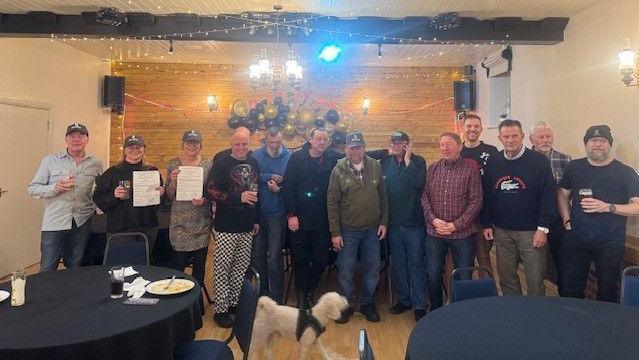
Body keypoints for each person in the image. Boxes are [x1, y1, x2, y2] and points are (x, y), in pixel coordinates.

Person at [558, 125, 639, 302]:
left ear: (609, 145)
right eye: (593, 141)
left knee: (607, 291)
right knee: (570, 289)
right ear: (586, 144)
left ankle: (604, 327)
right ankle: (571, 323)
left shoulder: (625, 172)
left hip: (610, 241)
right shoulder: (575, 167)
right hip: (577, 237)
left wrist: (608, 207)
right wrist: (566, 220)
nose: (598, 145)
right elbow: (563, 194)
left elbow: (637, 206)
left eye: (602, 141)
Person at [481, 119, 556, 296]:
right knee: (506, 277)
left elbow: (548, 195)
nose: (510, 140)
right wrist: (486, 223)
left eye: (514, 136)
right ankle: (513, 314)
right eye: (506, 136)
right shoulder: (493, 161)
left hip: (531, 231)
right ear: (499, 138)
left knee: (535, 279)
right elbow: (488, 194)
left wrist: (543, 229)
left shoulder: (538, 161)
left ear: (522, 136)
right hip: (502, 230)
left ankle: (535, 318)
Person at [327, 131, 388, 323]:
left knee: (372, 269)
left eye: (358, 147)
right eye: (351, 147)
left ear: (364, 147)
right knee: (346, 270)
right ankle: (345, 306)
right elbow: (332, 203)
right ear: (346, 149)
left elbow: (383, 197)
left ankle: (367, 303)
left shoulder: (376, 166)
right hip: (348, 230)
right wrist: (335, 232)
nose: (355, 151)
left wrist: (383, 222)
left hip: (372, 229)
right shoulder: (338, 170)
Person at [367, 131, 428, 321]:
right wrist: (386, 151)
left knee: (416, 264)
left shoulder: (419, 161)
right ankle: (404, 300)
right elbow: (365, 155)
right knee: (398, 264)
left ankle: (419, 304)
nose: (398, 145)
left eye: (402, 142)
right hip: (392, 224)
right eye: (394, 142)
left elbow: (419, 184)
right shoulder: (384, 162)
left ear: (408, 144)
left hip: (414, 223)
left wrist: (408, 159)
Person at [27, 123, 103, 272]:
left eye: (81, 135)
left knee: (75, 265)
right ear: (66, 139)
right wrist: (55, 188)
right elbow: (32, 189)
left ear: (87, 139)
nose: (76, 139)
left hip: (83, 221)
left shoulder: (96, 163)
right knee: (48, 267)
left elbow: (101, 189)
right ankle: (46, 295)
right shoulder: (50, 161)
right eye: (72, 136)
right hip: (55, 221)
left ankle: (72, 294)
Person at [205, 127, 260, 328]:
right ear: (231, 143)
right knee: (222, 268)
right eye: (238, 143)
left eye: (245, 143)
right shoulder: (221, 163)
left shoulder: (254, 163)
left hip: (247, 226)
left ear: (249, 143)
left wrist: (256, 220)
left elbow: (257, 193)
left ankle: (235, 304)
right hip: (226, 226)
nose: (241, 147)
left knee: (241, 268)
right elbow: (210, 191)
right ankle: (220, 309)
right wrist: (239, 197)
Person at [283, 127, 342, 309]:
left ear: (329, 142)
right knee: (300, 258)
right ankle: (302, 295)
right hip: (299, 219)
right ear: (311, 140)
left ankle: (310, 289)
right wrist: (291, 215)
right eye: (318, 139)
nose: (322, 142)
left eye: (325, 139)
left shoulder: (333, 158)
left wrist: (386, 152)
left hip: (323, 220)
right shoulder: (296, 158)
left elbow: (358, 154)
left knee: (321, 258)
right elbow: (288, 186)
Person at [421, 133, 482, 310]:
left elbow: (476, 200)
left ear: (460, 147)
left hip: (462, 234)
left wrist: (456, 224)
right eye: (442, 144)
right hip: (435, 233)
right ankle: (436, 310)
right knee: (432, 274)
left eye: (449, 144)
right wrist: (433, 220)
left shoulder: (470, 169)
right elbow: (425, 197)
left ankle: (461, 311)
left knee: (464, 275)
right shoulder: (432, 169)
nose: (445, 148)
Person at [93, 134, 165, 253]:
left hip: (147, 226)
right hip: (120, 229)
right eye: (131, 147)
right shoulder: (112, 172)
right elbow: (98, 198)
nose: (135, 150)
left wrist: (162, 193)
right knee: (121, 267)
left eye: (138, 147)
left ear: (143, 149)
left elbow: (159, 203)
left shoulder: (152, 171)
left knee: (144, 266)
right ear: (124, 150)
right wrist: (113, 195)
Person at [165, 130, 212, 295]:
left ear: (200, 145)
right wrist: (172, 182)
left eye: (195, 142)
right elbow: (169, 196)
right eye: (188, 142)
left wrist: (205, 200)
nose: (192, 145)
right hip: (179, 225)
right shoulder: (173, 165)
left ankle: (196, 302)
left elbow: (211, 192)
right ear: (183, 144)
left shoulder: (208, 164)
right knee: (178, 267)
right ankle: (178, 300)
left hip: (202, 223)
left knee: (199, 268)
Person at [529, 121, 571, 295]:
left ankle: (564, 301)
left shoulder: (565, 159)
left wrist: (568, 220)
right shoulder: (525, 159)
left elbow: (569, 192)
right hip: (533, 222)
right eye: (541, 136)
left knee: (564, 264)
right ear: (531, 138)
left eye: (548, 136)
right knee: (536, 266)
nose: (545, 140)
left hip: (558, 221)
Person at [250, 127, 291, 304]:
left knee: (275, 257)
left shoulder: (289, 156)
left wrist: (279, 188)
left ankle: (277, 296)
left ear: (282, 140)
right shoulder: (256, 155)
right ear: (265, 140)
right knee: (258, 254)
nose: (274, 145)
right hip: (259, 212)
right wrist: (270, 176)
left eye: (277, 142)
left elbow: (291, 181)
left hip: (278, 214)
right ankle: (262, 292)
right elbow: (252, 175)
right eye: (271, 142)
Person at [460, 113, 499, 278]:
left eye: (476, 126)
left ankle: (487, 296)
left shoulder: (492, 151)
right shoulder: (457, 151)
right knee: (461, 258)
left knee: (483, 256)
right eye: (469, 126)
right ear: (463, 128)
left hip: (484, 215)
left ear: (481, 129)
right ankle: (461, 296)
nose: (472, 129)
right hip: (461, 215)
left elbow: (495, 183)